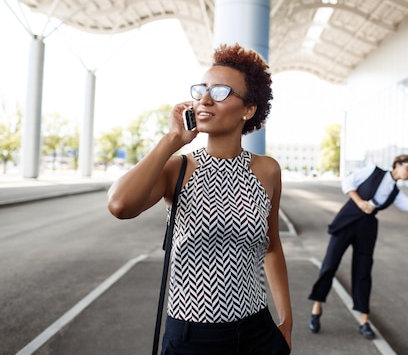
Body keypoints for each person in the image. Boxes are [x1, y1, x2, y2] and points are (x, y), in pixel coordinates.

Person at [107, 43, 292, 355]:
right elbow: (120, 205)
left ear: (248, 109)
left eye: (220, 92)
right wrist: (172, 140)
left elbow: (272, 247)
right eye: (201, 90)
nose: (205, 99)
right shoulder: (177, 168)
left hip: (257, 332)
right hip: (192, 337)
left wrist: (286, 323)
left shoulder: (267, 170)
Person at [307, 154, 408, 339]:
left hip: (367, 229)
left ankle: (364, 321)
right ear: (398, 164)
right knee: (330, 265)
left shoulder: (396, 193)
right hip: (347, 221)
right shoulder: (373, 171)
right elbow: (348, 182)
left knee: (363, 272)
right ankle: (317, 307)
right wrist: (360, 202)